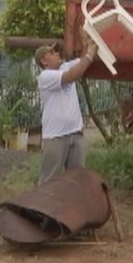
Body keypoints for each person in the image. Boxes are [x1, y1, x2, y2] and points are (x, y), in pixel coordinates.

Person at [34, 36, 98, 184]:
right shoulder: (45, 77)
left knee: (77, 181)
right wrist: (89, 54)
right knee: (49, 182)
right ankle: (42, 206)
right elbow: (72, 75)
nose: (57, 54)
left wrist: (87, 44)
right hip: (56, 137)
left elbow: (81, 63)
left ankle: (72, 207)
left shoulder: (64, 67)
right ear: (44, 61)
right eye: (52, 53)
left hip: (75, 133)